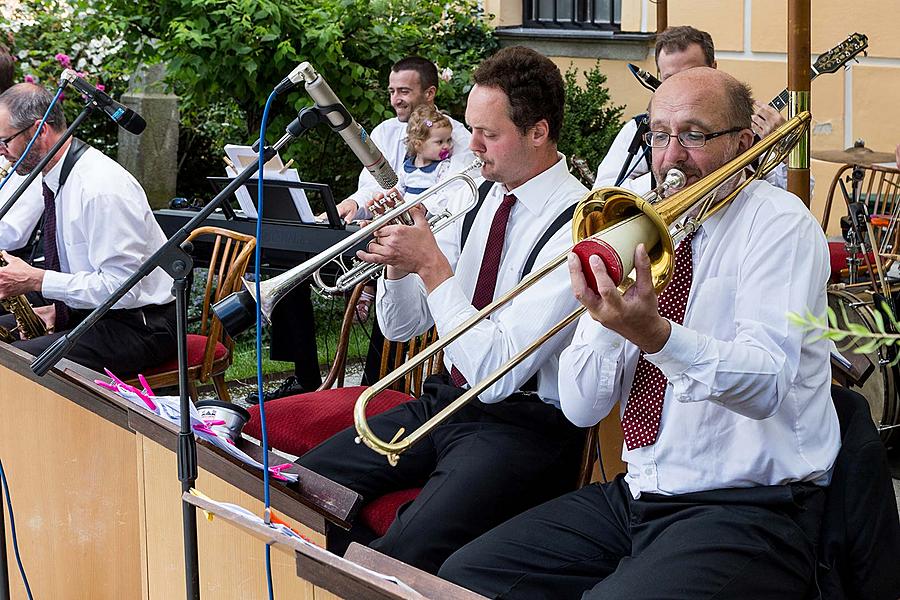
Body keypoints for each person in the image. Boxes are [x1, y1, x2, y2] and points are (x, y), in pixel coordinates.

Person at [440, 67, 841, 599]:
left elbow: (766, 383)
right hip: (643, 493)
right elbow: (582, 408)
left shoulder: (779, 224)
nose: (671, 156)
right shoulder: (640, 228)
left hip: (751, 506)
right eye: (658, 134)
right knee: (469, 576)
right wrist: (611, 324)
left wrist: (656, 337)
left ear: (744, 142)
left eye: (694, 135)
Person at [291, 46, 589, 574]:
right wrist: (399, 264)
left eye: (488, 134)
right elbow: (402, 325)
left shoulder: (577, 225)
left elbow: (497, 377)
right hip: (446, 402)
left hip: (523, 427)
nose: (471, 146)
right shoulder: (480, 194)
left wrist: (431, 266)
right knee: (306, 484)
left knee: (405, 552)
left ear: (538, 132)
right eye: (470, 128)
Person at [0, 83, 176, 374]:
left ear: (40, 130)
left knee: (11, 366)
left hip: (140, 325)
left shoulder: (100, 188)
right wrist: (59, 309)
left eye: (6, 141)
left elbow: (122, 290)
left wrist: (37, 280)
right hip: (96, 314)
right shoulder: (58, 177)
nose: (2, 152)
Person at [596, 25, 787, 188]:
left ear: (713, 69)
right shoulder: (639, 129)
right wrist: (669, 176)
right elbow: (605, 196)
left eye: (692, 74)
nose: (682, 87)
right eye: (670, 79)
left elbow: (793, 196)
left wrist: (785, 149)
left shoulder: (743, 126)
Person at [398, 104, 454, 202]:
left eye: (448, 140)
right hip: (406, 212)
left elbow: (443, 195)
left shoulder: (443, 167)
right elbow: (399, 190)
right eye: (440, 142)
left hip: (428, 213)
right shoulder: (406, 168)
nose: (447, 146)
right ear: (418, 144)